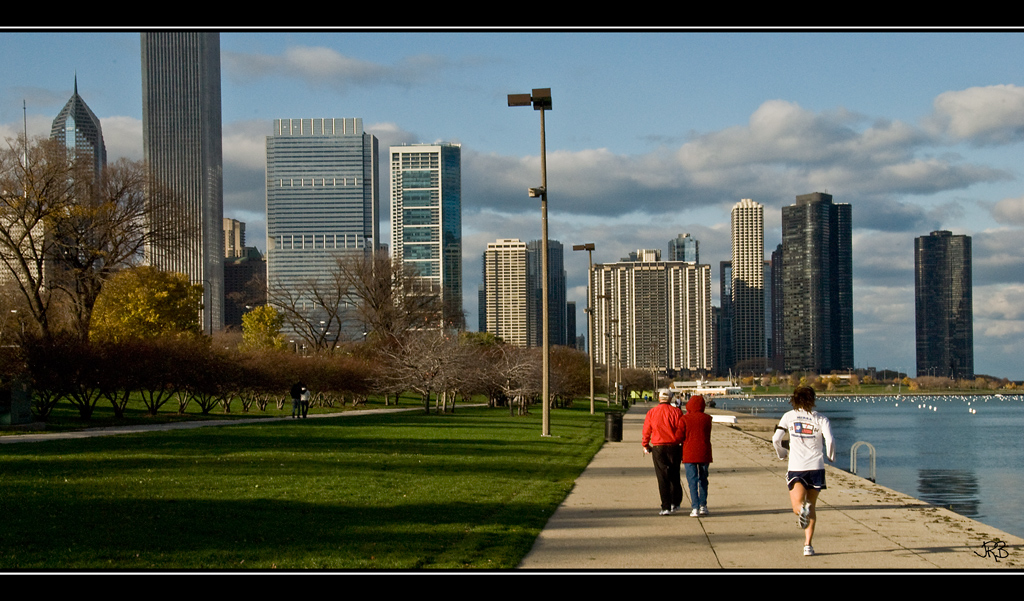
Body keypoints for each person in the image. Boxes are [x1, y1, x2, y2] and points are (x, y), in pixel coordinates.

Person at [772, 386, 835, 557]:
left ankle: (802, 511)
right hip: (816, 467)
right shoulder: (821, 419)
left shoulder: (788, 416)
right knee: (812, 506)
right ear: (813, 399)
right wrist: (831, 456)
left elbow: (776, 439)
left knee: (797, 506)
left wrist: (782, 454)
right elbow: (829, 440)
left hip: (797, 467)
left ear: (794, 399)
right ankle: (808, 545)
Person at [642, 389, 686, 515]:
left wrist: (645, 444)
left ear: (659, 398)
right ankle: (675, 502)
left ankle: (665, 506)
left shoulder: (652, 413)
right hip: (674, 446)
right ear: (671, 398)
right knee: (674, 475)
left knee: (662, 477)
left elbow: (646, 430)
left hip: (658, 447)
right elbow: (681, 430)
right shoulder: (677, 412)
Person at [682, 394, 713, 517]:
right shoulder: (707, 418)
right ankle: (703, 505)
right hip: (704, 452)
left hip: (689, 452)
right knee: (703, 479)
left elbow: (680, 435)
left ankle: (695, 506)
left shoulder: (685, 419)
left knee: (692, 480)